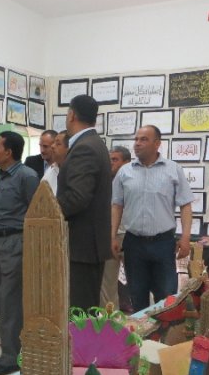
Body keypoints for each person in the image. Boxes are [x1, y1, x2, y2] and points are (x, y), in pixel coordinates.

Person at [111, 125, 193, 311]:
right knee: (137, 297)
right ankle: (141, 331)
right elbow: (116, 206)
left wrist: (186, 237)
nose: (137, 144)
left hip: (163, 244)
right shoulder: (125, 172)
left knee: (166, 298)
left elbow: (185, 205)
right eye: (136, 139)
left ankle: (164, 331)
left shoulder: (173, 170)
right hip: (134, 244)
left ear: (157, 144)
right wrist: (112, 236)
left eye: (143, 139)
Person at [0, 131, 40, 375]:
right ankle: (10, 350)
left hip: (15, 242)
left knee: (11, 300)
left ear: (8, 152)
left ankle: (11, 358)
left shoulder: (27, 176)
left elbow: (36, 213)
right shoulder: (4, 176)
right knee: (4, 298)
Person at [57, 95, 112, 310]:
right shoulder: (94, 143)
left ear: (71, 115)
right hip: (88, 247)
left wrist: (49, 211)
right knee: (84, 312)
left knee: (80, 313)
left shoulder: (84, 147)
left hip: (82, 248)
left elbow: (77, 197)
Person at [99, 145, 131, 310]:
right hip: (111, 236)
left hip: (131, 235)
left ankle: (148, 319)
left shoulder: (134, 181)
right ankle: (110, 321)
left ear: (127, 162)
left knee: (139, 282)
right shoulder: (103, 181)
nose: (110, 163)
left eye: (115, 159)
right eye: (109, 159)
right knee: (108, 284)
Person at [41, 130, 68, 195]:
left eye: (58, 144)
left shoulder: (75, 174)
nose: (52, 146)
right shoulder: (51, 169)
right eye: (54, 143)